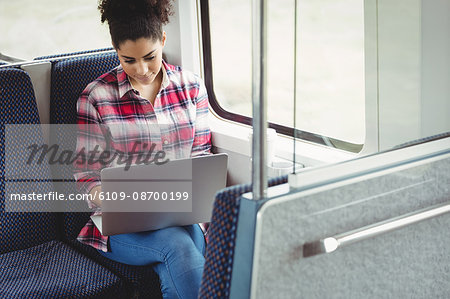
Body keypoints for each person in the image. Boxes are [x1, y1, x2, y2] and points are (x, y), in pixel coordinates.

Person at [72, 0, 211, 298]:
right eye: (129, 60)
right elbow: (87, 178)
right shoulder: (95, 97)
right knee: (179, 247)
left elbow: (201, 158)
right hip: (123, 228)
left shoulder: (191, 87)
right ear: (115, 48)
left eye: (150, 56)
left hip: (183, 215)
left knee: (186, 244)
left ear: (163, 40)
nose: (143, 70)